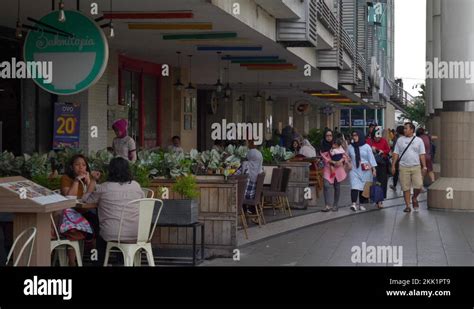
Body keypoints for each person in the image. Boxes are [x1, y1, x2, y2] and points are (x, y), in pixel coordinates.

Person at [82, 157, 145, 265]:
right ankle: (123, 261)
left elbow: (85, 200)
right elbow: (143, 203)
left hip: (111, 234)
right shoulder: (136, 186)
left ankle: (100, 263)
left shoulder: (104, 187)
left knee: (101, 234)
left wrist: (92, 180)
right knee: (116, 229)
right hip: (136, 233)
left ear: (110, 171)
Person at [59, 154, 100, 266]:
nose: (81, 167)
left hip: (85, 212)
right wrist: (76, 181)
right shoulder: (66, 178)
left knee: (97, 226)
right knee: (75, 230)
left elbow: (92, 198)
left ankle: (94, 259)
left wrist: (89, 182)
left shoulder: (88, 179)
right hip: (69, 214)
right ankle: (72, 262)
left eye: (83, 165)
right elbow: (70, 199)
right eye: (77, 164)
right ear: (72, 167)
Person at [391, 122, 427, 213]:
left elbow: (422, 154)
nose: (404, 130)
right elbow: (396, 153)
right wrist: (393, 165)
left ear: (412, 130)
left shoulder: (419, 140)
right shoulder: (400, 140)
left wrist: (424, 166)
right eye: (404, 128)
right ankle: (407, 206)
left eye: (406, 128)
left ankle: (414, 198)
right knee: (405, 188)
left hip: (416, 166)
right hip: (403, 167)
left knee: (419, 185)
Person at [347, 130, 377, 211]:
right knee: (354, 186)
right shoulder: (350, 147)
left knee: (363, 187)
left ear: (360, 136)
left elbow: (371, 158)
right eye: (353, 135)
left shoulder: (366, 146)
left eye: (356, 135)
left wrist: (374, 169)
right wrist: (348, 163)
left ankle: (361, 204)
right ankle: (353, 204)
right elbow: (346, 157)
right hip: (354, 169)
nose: (354, 137)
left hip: (365, 170)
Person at [320, 129, 348, 212]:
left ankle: (335, 205)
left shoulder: (337, 145)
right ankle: (327, 205)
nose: (329, 137)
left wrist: (340, 161)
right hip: (328, 168)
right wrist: (331, 161)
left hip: (338, 168)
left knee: (337, 186)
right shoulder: (323, 145)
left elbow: (345, 156)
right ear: (324, 137)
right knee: (326, 185)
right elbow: (323, 156)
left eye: (330, 135)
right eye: (327, 136)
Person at [367, 126, 391, 208]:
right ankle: (372, 197)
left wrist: (382, 151)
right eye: (376, 137)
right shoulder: (369, 141)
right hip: (371, 165)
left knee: (382, 182)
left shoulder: (383, 141)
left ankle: (380, 200)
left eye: (379, 137)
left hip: (382, 164)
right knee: (372, 182)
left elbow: (388, 150)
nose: (378, 139)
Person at [390, 125, 405, 191]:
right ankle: (403, 186)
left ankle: (394, 185)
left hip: (397, 158)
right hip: (404, 158)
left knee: (396, 172)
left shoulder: (397, 139)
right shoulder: (406, 138)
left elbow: (394, 150)